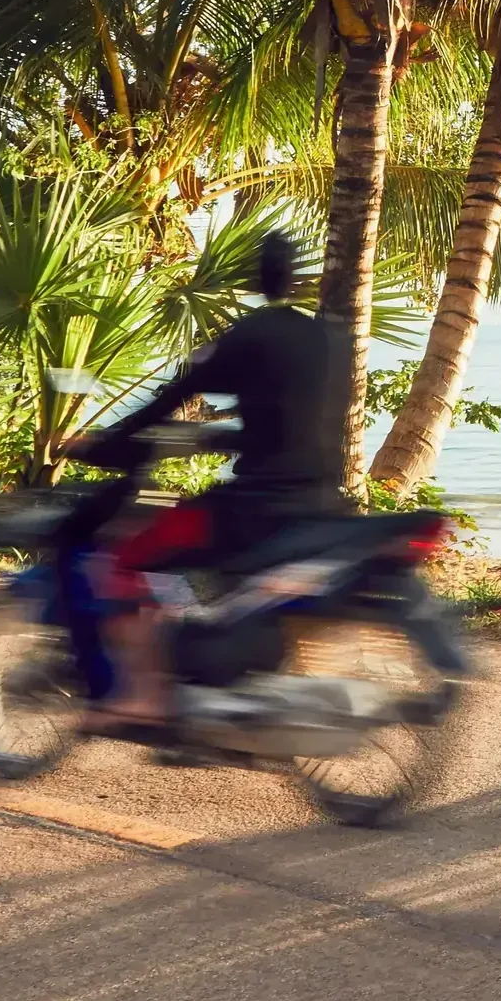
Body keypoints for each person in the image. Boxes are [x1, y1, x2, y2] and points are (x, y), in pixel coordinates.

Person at [63, 230, 349, 731]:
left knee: (131, 556)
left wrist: (105, 443)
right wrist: (221, 440)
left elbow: (173, 394)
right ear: (298, 279)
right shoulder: (328, 340)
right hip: (322, 501)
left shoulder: (251, 334)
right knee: (213, 582)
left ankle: (146, 697)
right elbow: (288, 426)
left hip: (257, 508)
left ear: (255, 278)